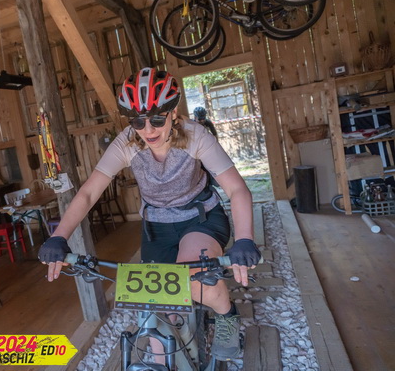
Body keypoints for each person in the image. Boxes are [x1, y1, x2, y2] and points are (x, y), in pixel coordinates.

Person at [38, 67, 260, 362]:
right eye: (138, 121)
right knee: (158, 309)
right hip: (157, 226)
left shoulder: (196, 135)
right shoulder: (127, 142)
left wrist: (244, 239)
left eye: (157, 119)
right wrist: (59, 236)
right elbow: (89, 193)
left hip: (200, 218)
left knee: (195, 279)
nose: (148, 130)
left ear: (173, 112)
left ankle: (226, 315)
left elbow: (237, 189)